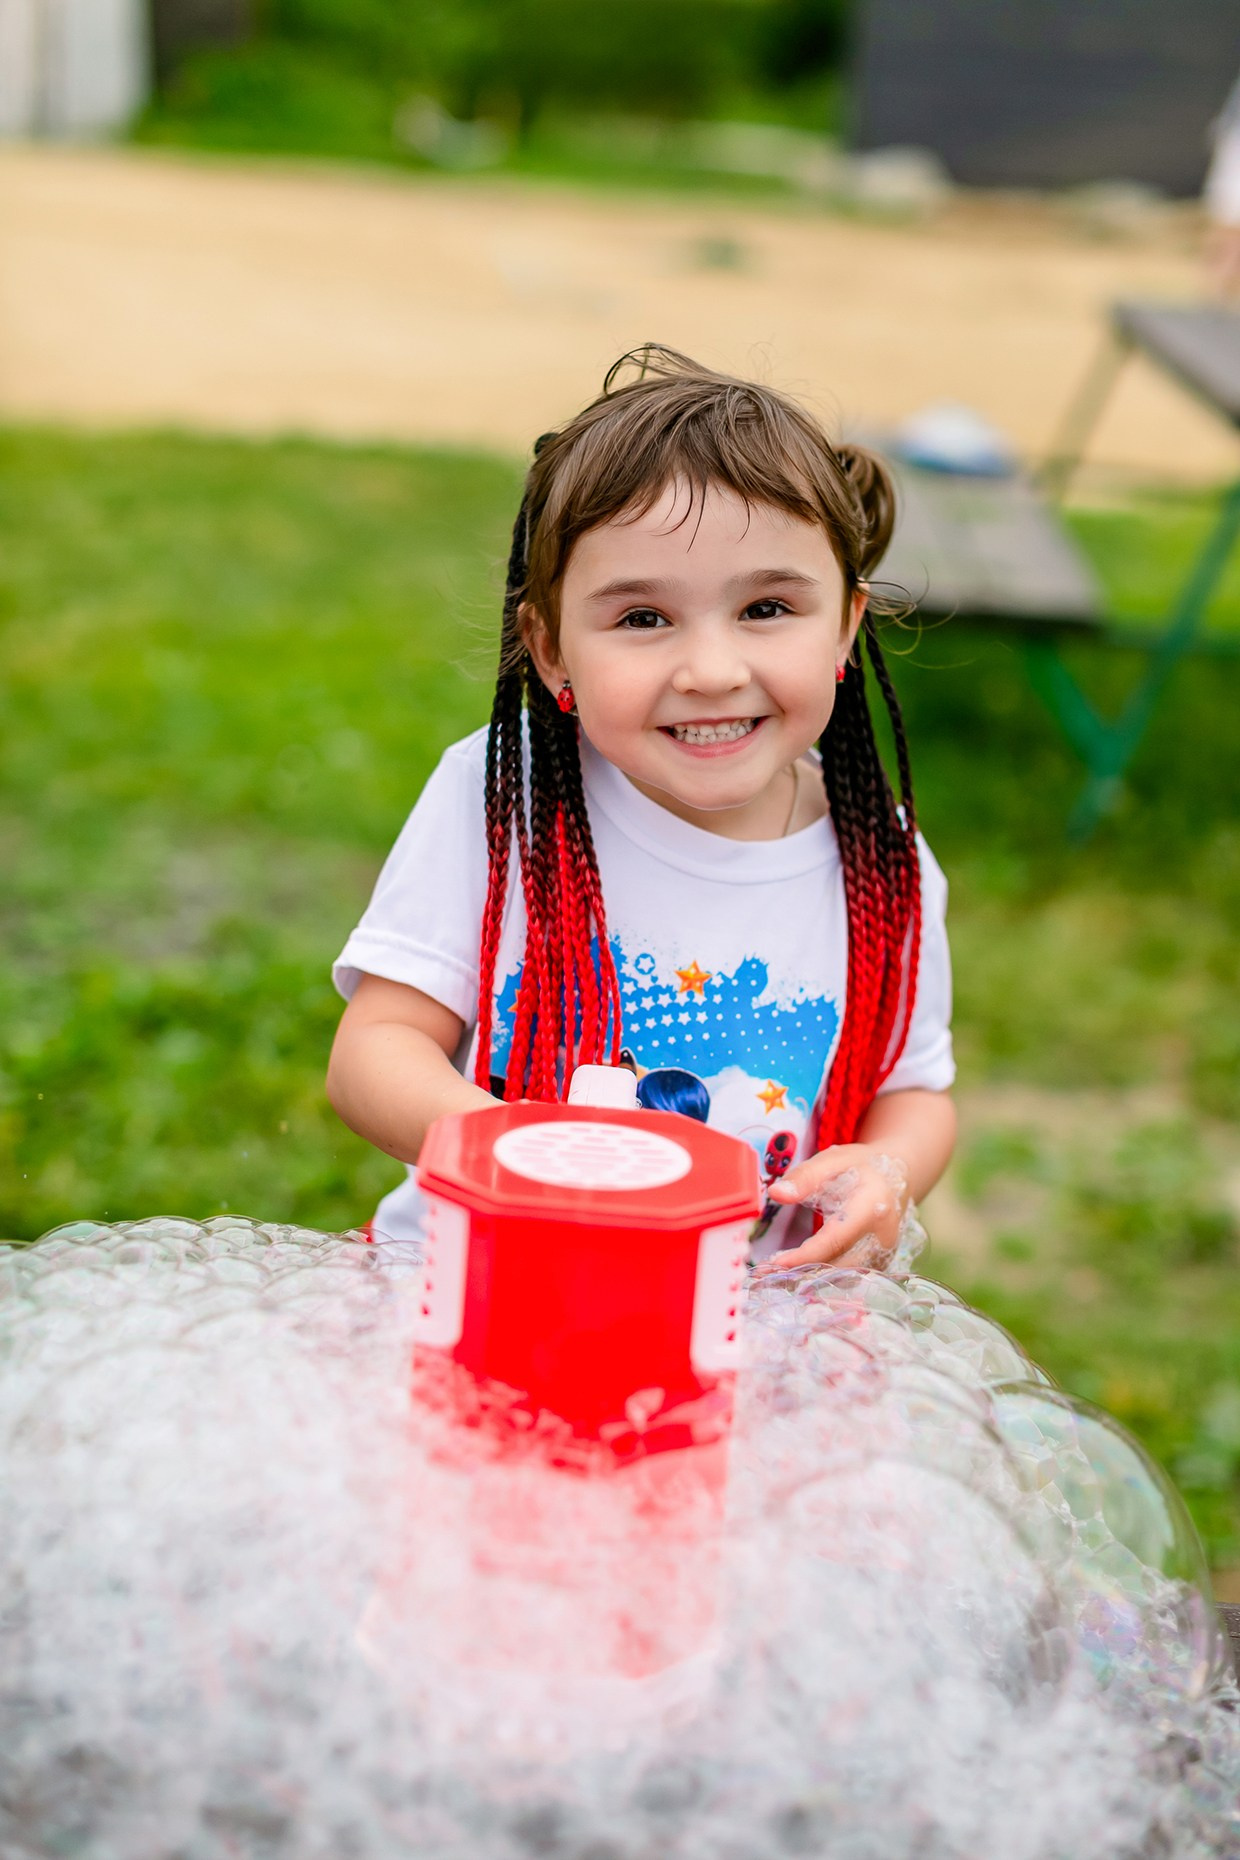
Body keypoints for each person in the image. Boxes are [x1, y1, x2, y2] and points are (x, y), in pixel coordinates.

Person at [327, 347, 956, 1269]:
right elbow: (375, 1050)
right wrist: (525, 1155)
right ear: (549, 651)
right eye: (643, 619)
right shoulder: (506, 799)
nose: (710, 671)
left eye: (769, 608)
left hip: (745, 1323)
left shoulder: (882, 864)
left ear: (846, 628)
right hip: (477, 1289)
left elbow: (916, 1092)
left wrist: (887, 1169)